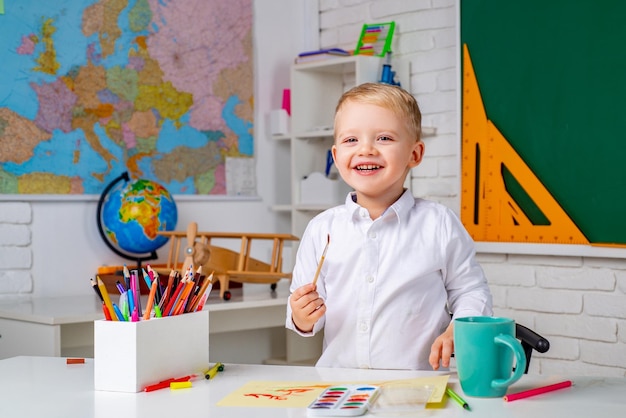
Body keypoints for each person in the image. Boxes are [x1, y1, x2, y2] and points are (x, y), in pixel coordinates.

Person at [286, 82, 493, 370]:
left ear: (415, 154)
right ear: (335, 157)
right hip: (339, 384)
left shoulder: (439, 223)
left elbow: (471, 291)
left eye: (383, 138)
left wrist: (459, 329)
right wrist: (301, 316)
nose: (366, 149)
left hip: (419, 386)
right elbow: (304, 313)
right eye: (350, 140)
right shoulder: (321, 229)